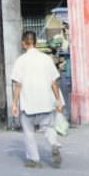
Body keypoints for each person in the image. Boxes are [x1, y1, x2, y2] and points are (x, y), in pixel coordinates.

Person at [10, 31, 66, 168]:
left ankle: (34, 160)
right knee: (48, 127)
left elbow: (18, 85)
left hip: (28, 104)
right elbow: (54, 82)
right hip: (45, 102)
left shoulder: (20, 61)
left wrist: (14, 103)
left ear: (24, 43)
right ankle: (54, 144)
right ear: (35, 42)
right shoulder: (46, 59)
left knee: (29, 131)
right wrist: (58, 100)